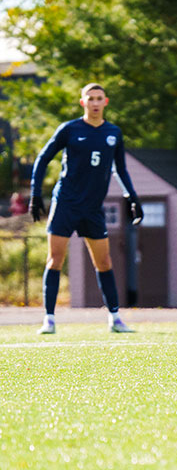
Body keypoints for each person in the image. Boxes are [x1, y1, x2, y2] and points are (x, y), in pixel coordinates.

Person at [30, 83, 143, 335]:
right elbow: (42, 158)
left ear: (106, 102)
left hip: (93, 208)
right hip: (66, 204)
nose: (94, 102)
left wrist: (132, 196)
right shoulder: (69, 129)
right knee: (55, 259)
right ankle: (49, 319)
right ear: (82, 102)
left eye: (99, 98)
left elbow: (120, 169)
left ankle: (115, 318)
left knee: (104, 261)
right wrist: (36, 194)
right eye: (90, 98)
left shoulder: (113, 132)